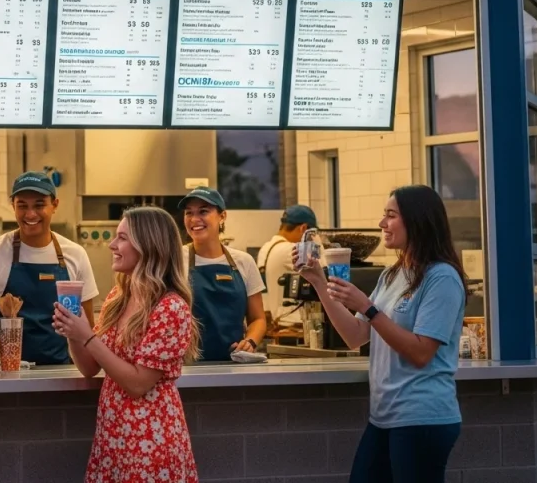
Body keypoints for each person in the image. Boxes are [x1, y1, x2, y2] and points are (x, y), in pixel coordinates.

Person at [294, 185, 468, 483]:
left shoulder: (442, 278)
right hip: (384, 417)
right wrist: (320, 283)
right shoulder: (392, 275)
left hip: (422, 417)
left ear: (418, 221)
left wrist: (369, 307)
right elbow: (355, 336)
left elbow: (421, 352)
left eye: (390, 215)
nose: (381, 223)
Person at [52, 206, 200, 483]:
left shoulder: (170, 307)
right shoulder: (118, 298)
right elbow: (88, 368)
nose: (112, 245)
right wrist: (72, 331)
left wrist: (87, 336)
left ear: (148, 245)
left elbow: (138, 384)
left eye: (122, 238)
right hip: (115, 434)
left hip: (151, 437)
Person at [0, 171, 99, 365]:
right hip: (5, 373)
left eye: (39, 205)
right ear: (13, 207)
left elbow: (87, 326)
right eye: (22, 206)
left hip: (61, 372)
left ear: (55, 206)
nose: (30, 214)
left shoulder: (75, 255)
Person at [180, 186, 266, 361]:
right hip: (186, 366)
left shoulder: (244, 261)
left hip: (234, 363)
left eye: (203, 211)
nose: (195, 219)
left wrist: (250, 341)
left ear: (222, 216)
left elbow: (258, 319)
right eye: (189, 213)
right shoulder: (174, 260)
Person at [256, 205, 318, 327]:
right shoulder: (291, 250)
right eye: (311, 235)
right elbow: (322, 269)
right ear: (303, 228)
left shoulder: (266, 247)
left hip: (277, 320)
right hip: (292, 323)